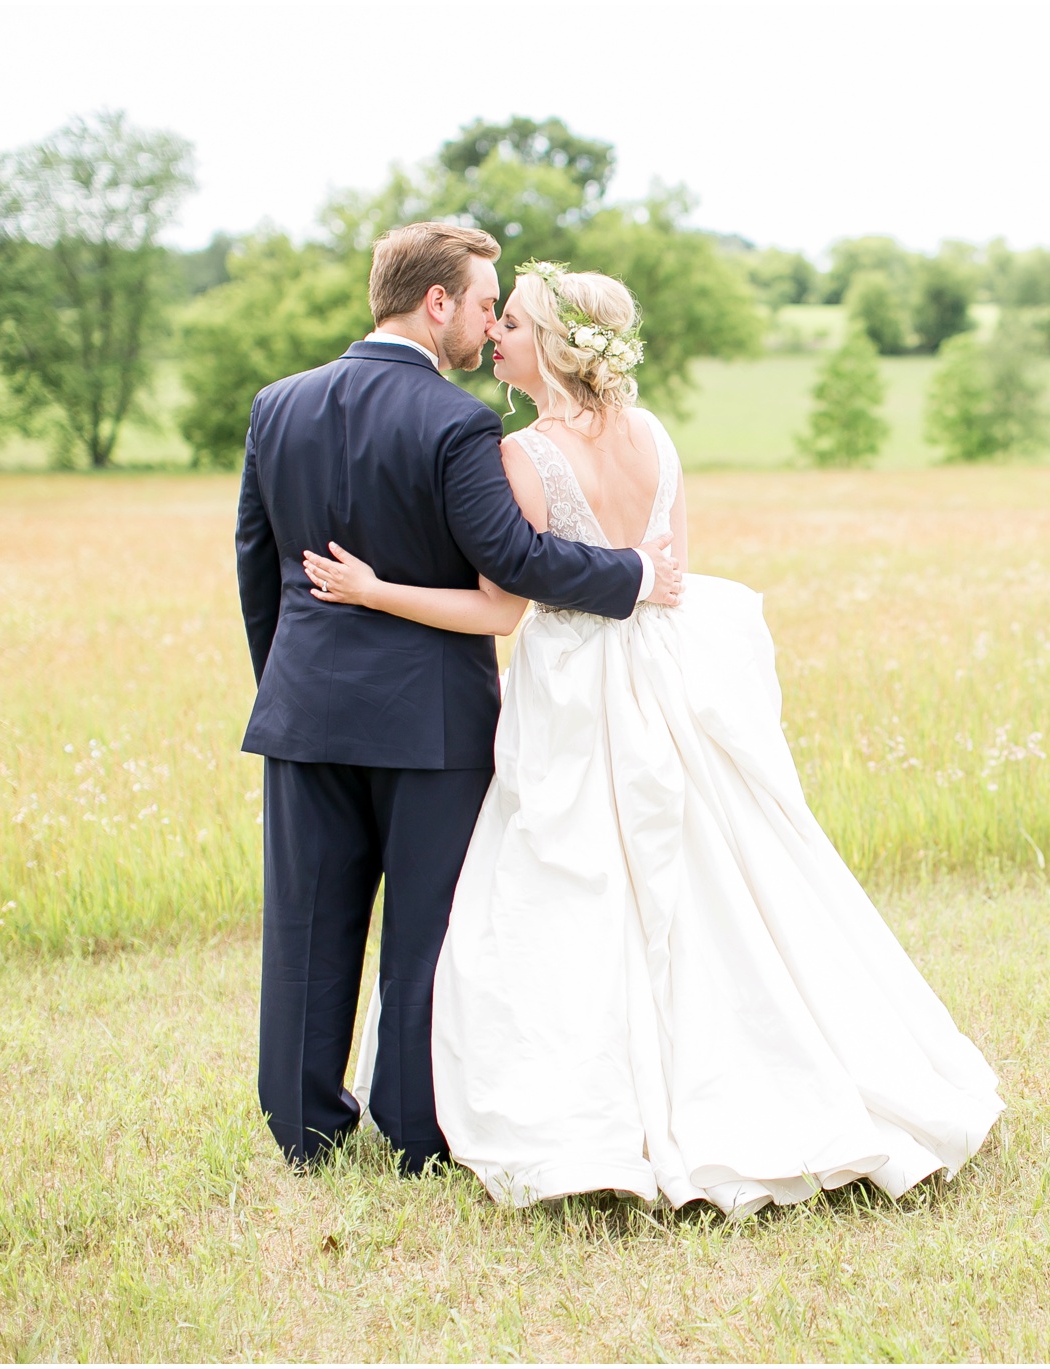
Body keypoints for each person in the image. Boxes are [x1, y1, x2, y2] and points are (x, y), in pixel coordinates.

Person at [306, 261, 1003, 1217]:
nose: (494, 333)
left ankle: (592, 1108)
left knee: (569, 874)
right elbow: (671, 574)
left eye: (508, 321)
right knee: (712, 870)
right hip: (666, 672)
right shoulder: (658, 436)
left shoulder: (523, 454)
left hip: (575, 686)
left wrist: (375, 590)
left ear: (549, 346)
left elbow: (506, 606)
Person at [235, 223, 682, 1177]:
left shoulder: (277, 406)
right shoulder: (456, 423)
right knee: (425, 932)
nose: (489, 327)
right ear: (436, 303)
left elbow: (258, 573)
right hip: (430, 723)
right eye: (484, 305)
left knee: (306, 925)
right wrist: (636, 575)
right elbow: (513, 565)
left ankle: (303, 1132)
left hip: (304, 713)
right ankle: (411, 1127)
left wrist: (290, 689)